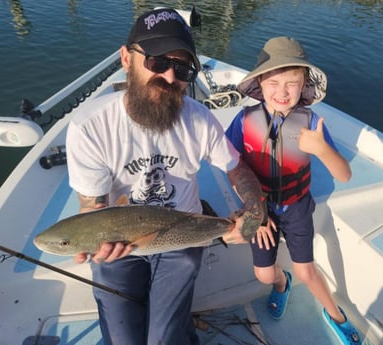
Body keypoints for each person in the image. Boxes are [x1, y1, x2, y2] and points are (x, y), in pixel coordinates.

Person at [65, 8, 265, 345]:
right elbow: (93, 207)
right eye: (157, 62)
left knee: (163, 340)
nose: (170, 77)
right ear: (126, 58)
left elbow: (237, 168)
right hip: (121, 245)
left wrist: (255, 212)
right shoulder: (90, 127)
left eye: (182, 68)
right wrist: (93, 240)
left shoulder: (199, 118)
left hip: (181, 235)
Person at [225, 36, 361, 345]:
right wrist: (256, 213)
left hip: (297, 205)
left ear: (304, 86)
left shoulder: (311, 123)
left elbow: (345, 174)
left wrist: (323, 149)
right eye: (273, 83)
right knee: (263, 275)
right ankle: (280, 283)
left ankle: (335, 314)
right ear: (260, 83)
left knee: (307, 272)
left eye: (292, 83)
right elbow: (231, 167)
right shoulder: (244, 121)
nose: (282, 92)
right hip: (258, 208)